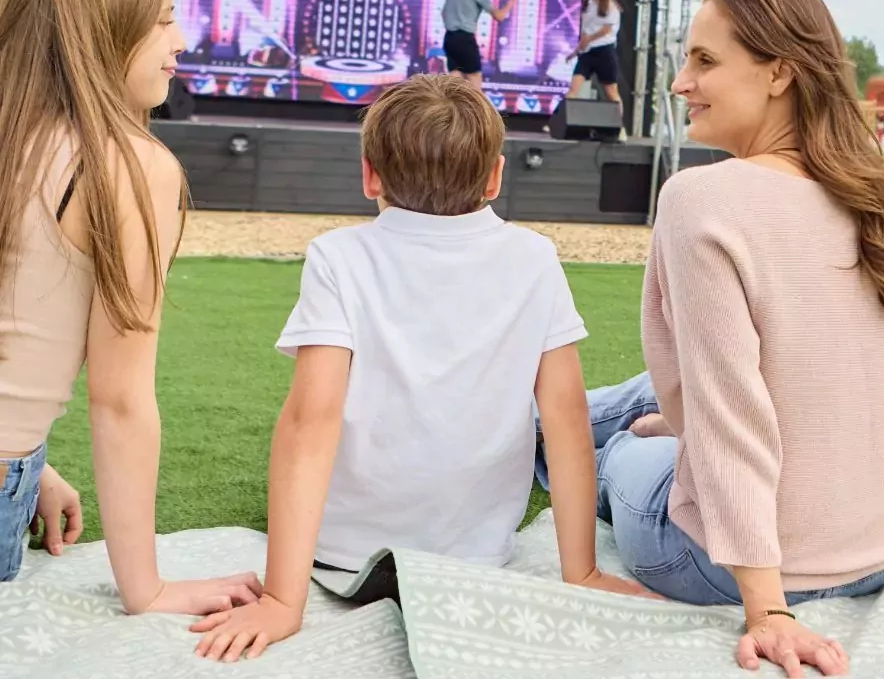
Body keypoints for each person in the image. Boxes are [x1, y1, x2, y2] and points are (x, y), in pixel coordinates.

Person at [543, 0, 884, 678]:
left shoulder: (703, 198)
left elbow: (729, 416)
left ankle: (541, 438)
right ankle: (553, 420)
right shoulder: (882, 200)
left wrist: (769, 610)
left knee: (625, 455)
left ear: (779, 71)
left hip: (735, 565)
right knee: (654, 399)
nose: (679, 83)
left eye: (704, 61)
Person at [189, 74, 646, 663]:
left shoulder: (339, 256)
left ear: (369, 175)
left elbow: (310, 423)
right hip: (481, 554)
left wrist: (282, 598)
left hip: (340, 552)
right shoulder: (534, 258)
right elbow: (565, 417)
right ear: (496, 176)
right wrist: (580, 571)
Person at [0, 0, 262, 611]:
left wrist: (29, 462)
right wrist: (146, 588)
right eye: (166, 19)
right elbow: (119, 400)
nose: (181, 42)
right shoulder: (131, 166)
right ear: (102, 27)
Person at [441, 0, 517, 92]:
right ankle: (478, 113)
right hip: (465, 40)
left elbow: (444, 13)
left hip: (449, 39)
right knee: (475, 84)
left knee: (454, 86)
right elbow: (499, 16)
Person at [565, 0, 623, 107]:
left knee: (612, 93)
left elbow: (607, 29)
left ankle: (619, 127)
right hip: (587, 53)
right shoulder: (589, 3)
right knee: (573, 88)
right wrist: (575, 52)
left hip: (604, 52)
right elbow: (586, 32)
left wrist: (589, 39)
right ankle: (558, 123)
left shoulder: (610, 4)